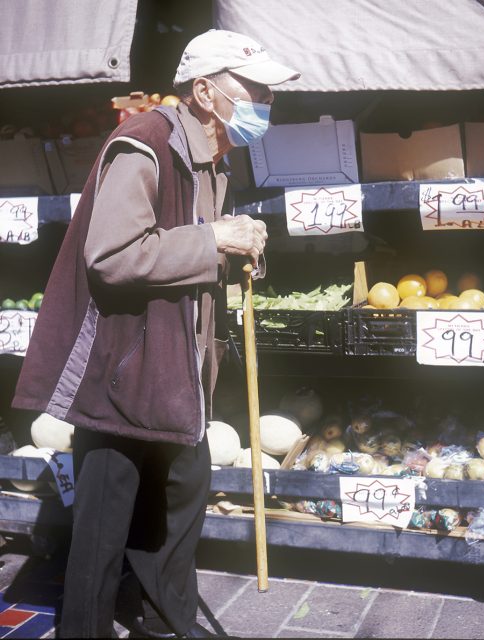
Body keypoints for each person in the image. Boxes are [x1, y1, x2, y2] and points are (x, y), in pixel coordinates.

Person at [12, 29, 300, 638]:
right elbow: (112, 255)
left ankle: (155, 612)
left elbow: (195, 249)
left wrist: (240, 248)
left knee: (180, 496)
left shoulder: (211, 157)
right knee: (105, 519)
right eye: (254, 89)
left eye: (269, 92)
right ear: (204, 91)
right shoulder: (141, 145)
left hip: (177, 369)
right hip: (123, 367)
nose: (266, 102)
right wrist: (214, 239)